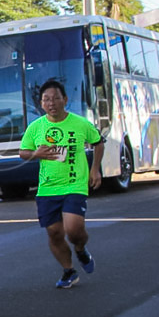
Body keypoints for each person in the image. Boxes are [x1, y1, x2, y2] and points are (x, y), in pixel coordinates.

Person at [18, 80, 103, 289]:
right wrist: (36, 154)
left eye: (56, 98)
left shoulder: (80, 123)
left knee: (73, 230)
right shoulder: (36, 127)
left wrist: (95, 169)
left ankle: (81, 249)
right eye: (46, 99)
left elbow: (98, 142)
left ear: (65, 100)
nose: (51, 103)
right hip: (47, 188)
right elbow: (23, 152)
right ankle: (69, 271)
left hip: (75, 184)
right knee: (55, 233)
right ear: (41, 103)